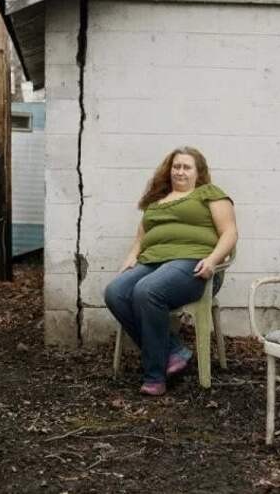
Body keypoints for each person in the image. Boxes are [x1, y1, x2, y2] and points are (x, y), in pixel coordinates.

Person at [104, 146, 238, 396]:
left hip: (193, 263)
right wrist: (131, 257)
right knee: (115, 292)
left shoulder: (209, 193)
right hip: (152, 262)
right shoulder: (156, 202)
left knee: (147, 290)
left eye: (187, 167)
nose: (180, 171)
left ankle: (154, 377)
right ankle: (174, 350)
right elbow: (141, 238)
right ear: (169, 170)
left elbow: (230, 232)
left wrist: (212, 260)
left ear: (198, 172)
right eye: (176, 166)